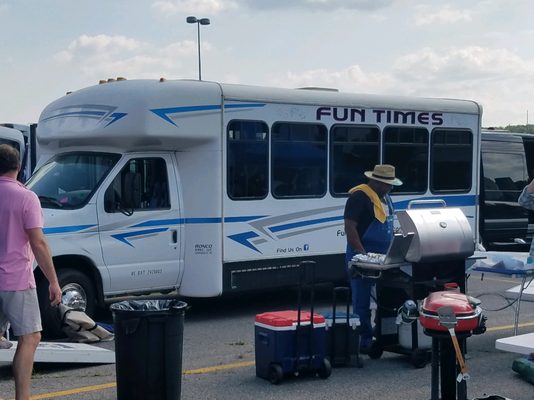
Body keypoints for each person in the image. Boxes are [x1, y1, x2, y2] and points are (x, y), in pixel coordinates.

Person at [0, 144, 62, 400]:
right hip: (15, 279)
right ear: (19, 167)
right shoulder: (26, 197)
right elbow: (38, 242)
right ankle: (22, 397)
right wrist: (54, 282)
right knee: (30, 337)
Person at [343, 164, 403, 352]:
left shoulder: (386, 198)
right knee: (361, 302)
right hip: (363, 256)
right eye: (387, 184)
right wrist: (362, 255)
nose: (390, 188)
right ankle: (364, 340)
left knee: (387, 298)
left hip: (384, 257)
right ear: (376, 182)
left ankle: (384, 334)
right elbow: (350, 228)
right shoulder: (359, 197)